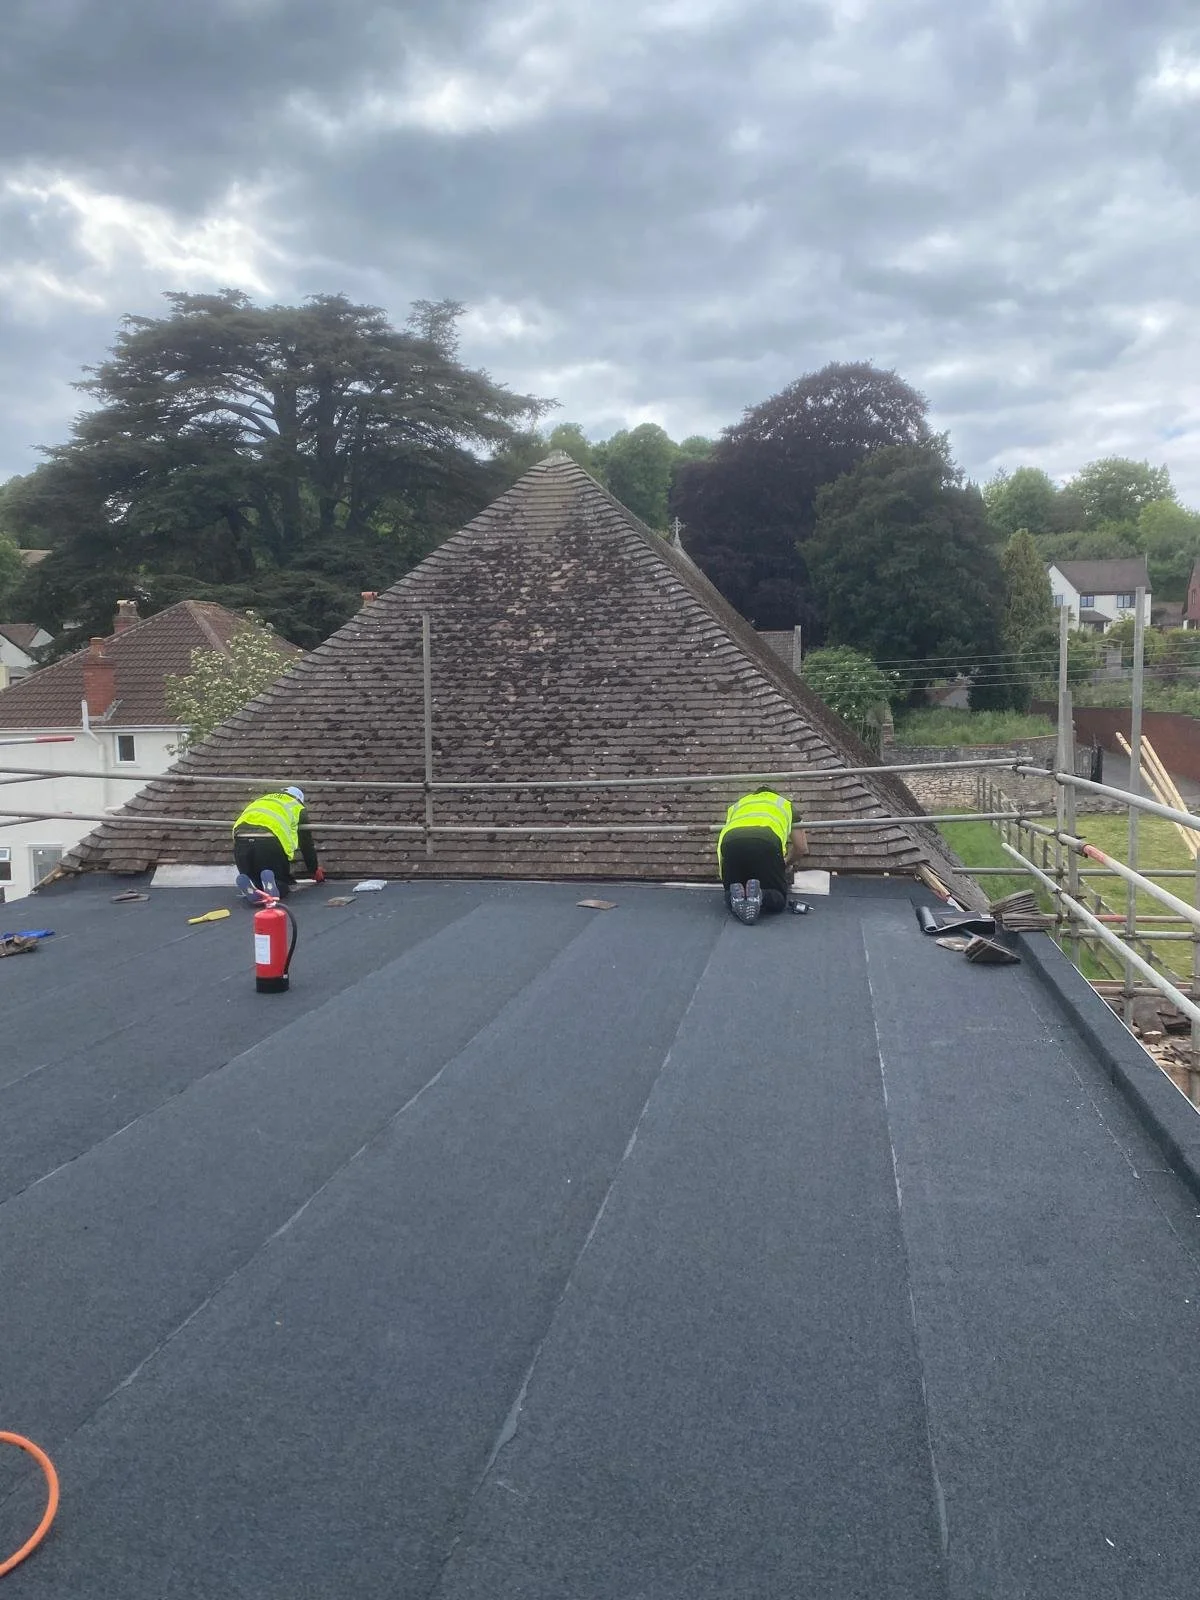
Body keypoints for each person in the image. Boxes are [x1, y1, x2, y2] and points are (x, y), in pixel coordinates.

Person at [717, 787, 808, 925]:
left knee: (731, 890)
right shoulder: (785, 804)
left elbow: (722, 843)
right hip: (766, 841)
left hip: (731, 841)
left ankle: (735, 896)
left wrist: (725, 878)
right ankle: (761, 895)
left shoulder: (739, 804)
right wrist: (784, 864)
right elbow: (801, 848)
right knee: (779, 898)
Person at [232, 786, 325, 903]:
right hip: (269, 841)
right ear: (299, 799)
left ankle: (253, 885)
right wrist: (314, 869)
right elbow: (306, 842)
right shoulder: (297, 806)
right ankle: (275, 885)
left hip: (241, 840)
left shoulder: (262, 800)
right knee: (282, 882)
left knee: (253, 877)